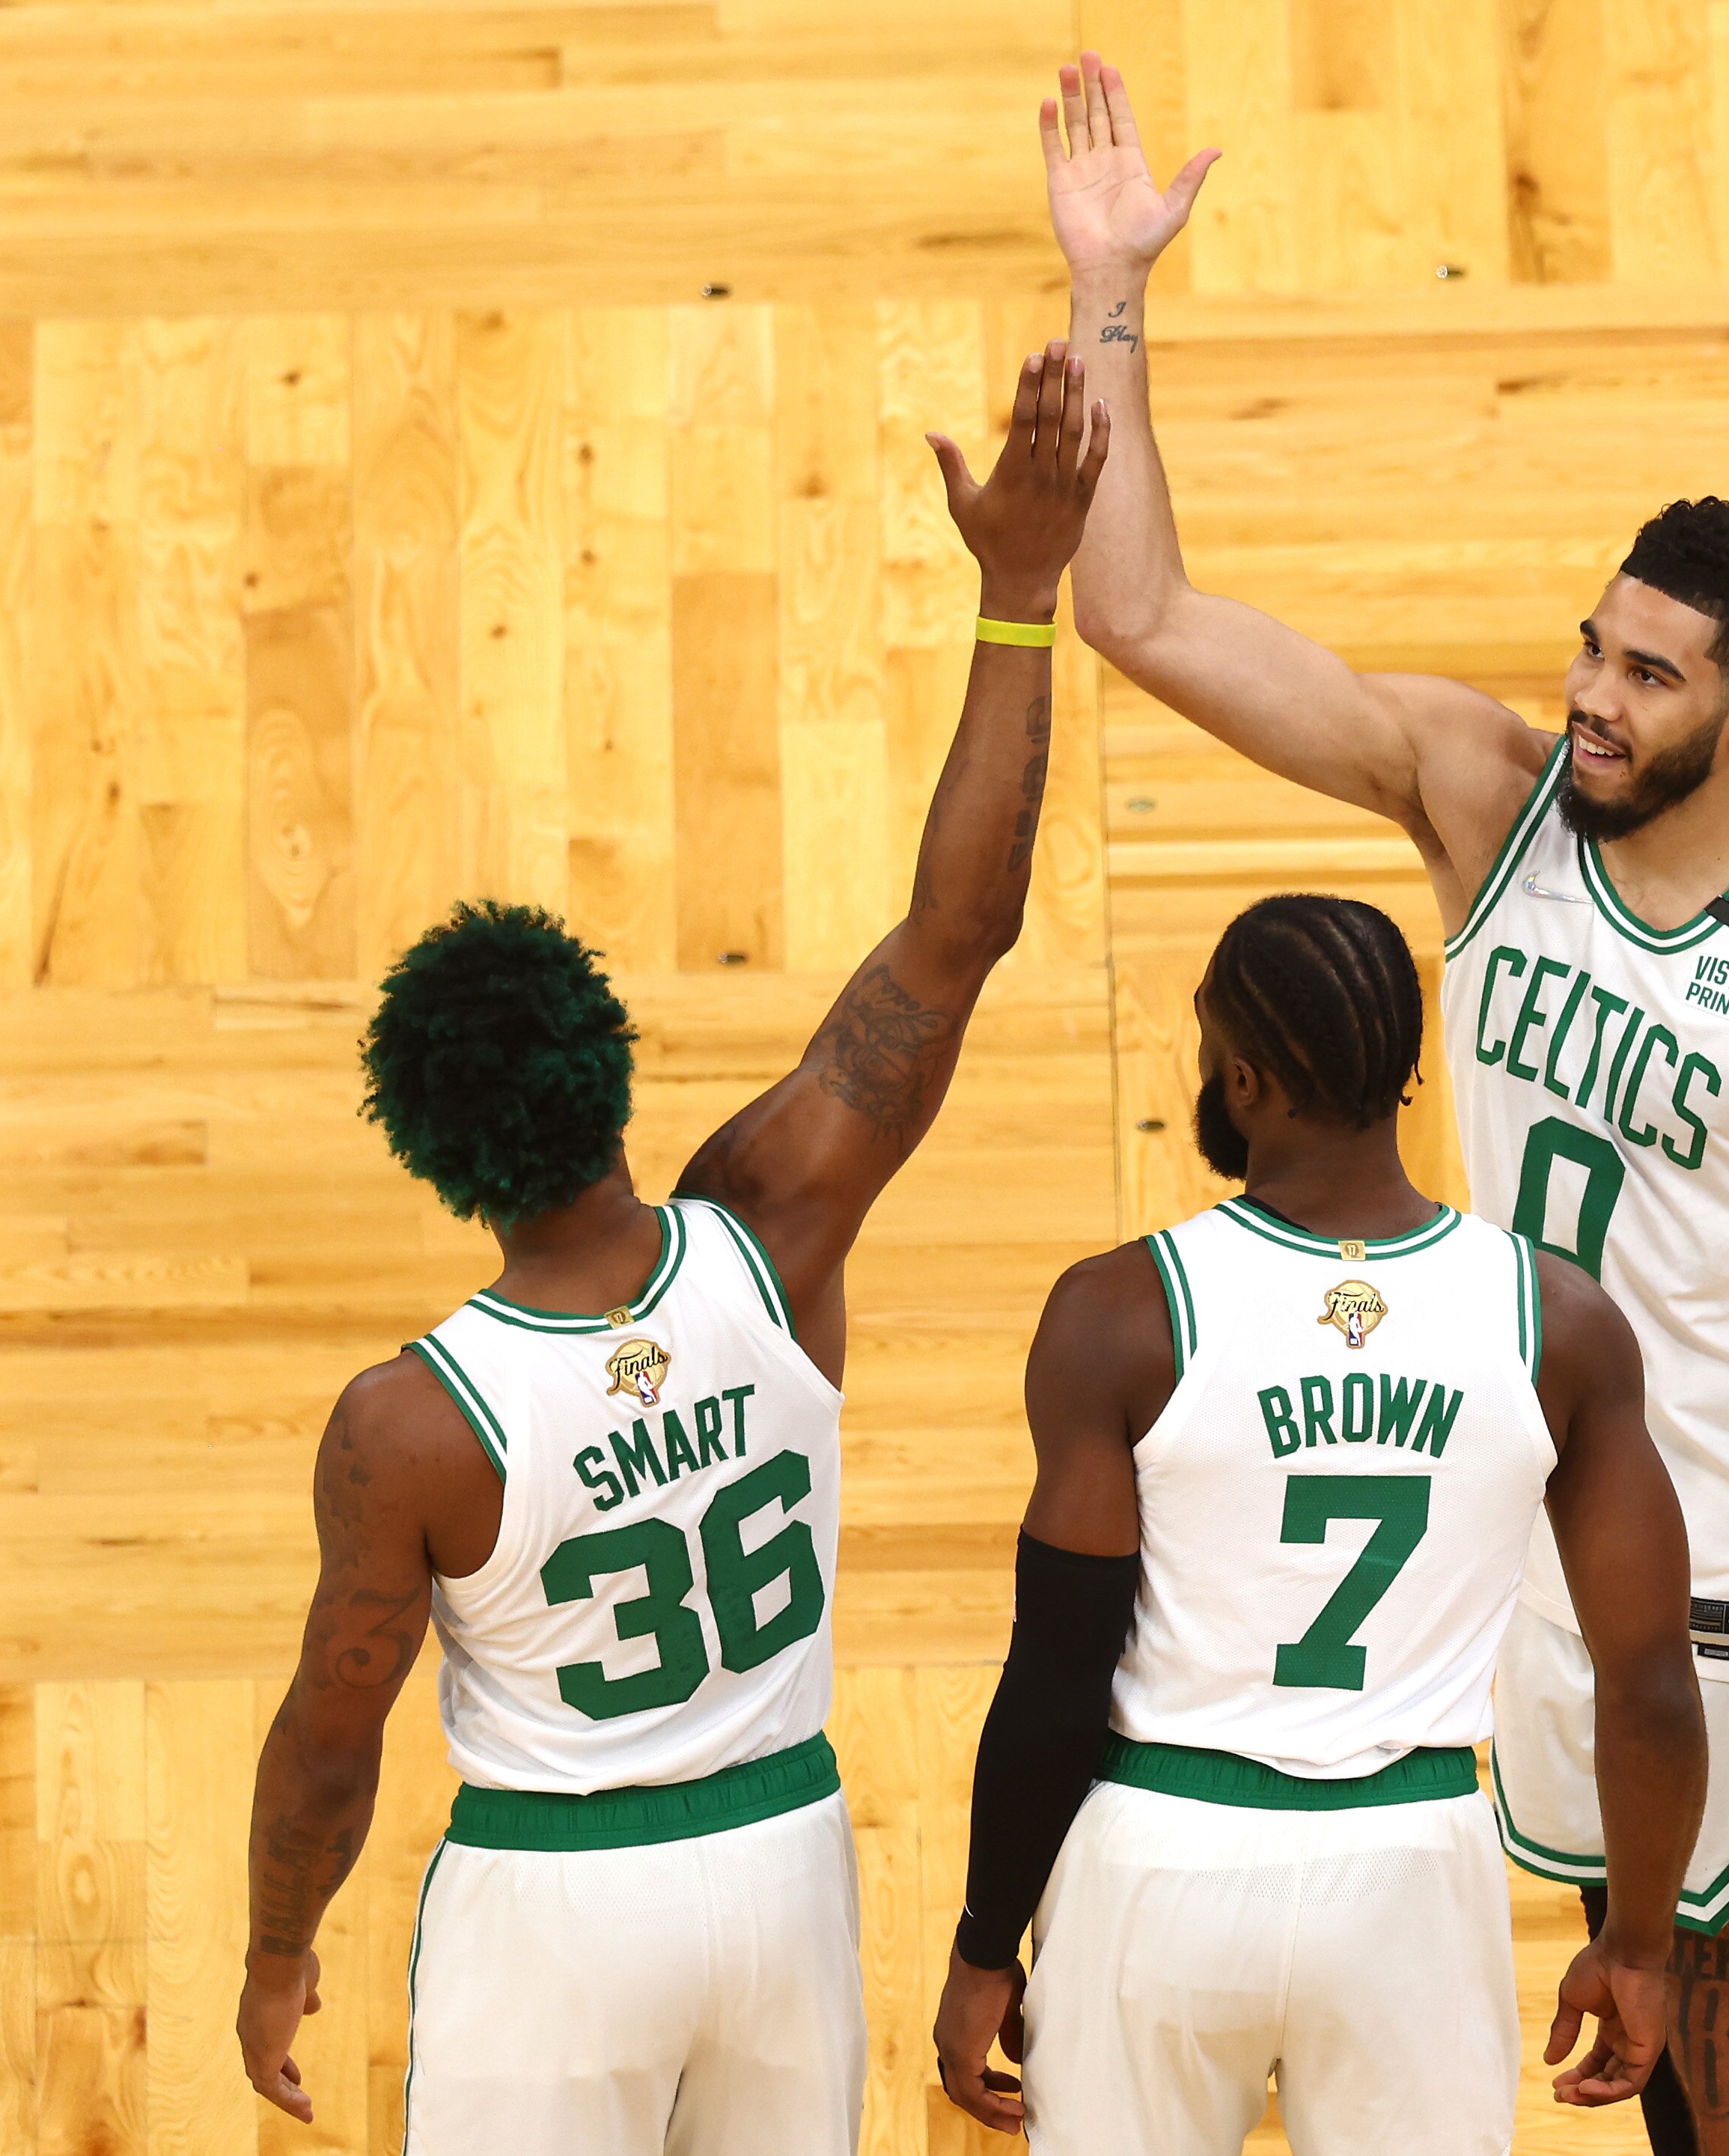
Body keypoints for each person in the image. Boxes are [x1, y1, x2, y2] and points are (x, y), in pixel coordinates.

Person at [1037, 57, 1729, 2155]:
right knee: (1627, 2014)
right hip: (1527, 1492)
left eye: (1652, 678)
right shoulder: (1486, 795)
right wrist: (1111, 296)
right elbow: (1138, 617)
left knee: (1725, 2041)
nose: (1597, 699)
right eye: (1596, 651)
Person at [232, 344, 1112, 2153]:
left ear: (431, 1149)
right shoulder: (773, 1230)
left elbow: (334, 1733)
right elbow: (956, 936)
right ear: (611, 1064)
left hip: (557, 1912)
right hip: (783, 1870)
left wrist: (275, 1947)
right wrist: (1020, 593)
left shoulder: (414, 1424)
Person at [930, 894, 1707, 2155]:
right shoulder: (1558, 1322)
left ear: (1240, 1079)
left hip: (1161, 1860)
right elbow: (1654, 1683)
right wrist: (1638, 1942)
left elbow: (1058, 1675)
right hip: (1414, 1873)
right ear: (1402, 1066)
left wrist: (984, 1943)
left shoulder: (1121, 1313)